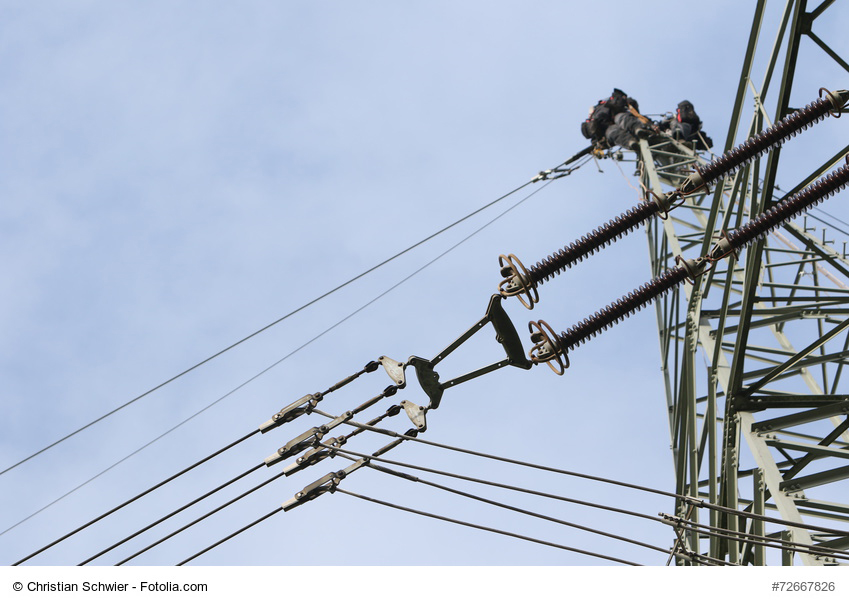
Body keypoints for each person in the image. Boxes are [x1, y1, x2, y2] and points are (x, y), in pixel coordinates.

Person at [581, 88, 653, 152]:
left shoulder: (605, 106)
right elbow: (595, 138)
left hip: (616, 117)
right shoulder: (594, 118)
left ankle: (637, 131)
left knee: (622, 120)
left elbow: (631, 103)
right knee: (614, 131)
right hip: (608, 128)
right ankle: (631, 141)